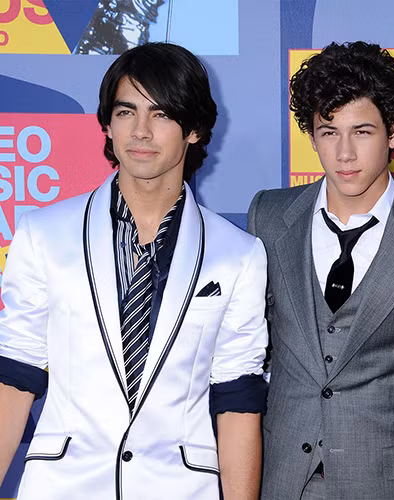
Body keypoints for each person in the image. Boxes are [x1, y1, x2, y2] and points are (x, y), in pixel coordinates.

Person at [0, 42, 268, 500]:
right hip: (64, 486)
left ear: (195, 129)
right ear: (107, 124)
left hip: (181, 489)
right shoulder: (43, 234)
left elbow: (237, 400)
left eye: (161, 114)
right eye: (126, 112)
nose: (141, 131)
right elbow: (14, 377)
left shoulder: (238, 255)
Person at [248, 41, 394, 499]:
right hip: (281, 477)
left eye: (362, 131)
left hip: (386, 480)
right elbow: (250, 344)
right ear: (311, 136)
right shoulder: (269, 217)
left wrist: (388, 436)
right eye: (329, 132)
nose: (344, 153)